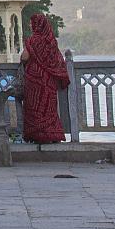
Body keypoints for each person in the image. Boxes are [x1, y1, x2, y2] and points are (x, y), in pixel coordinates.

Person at [20, 13, 71, 144]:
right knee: (49, 107)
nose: (30, 25)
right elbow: (57, 60)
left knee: (35, 107)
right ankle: (52, 134)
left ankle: (37, 135)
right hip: (49, 80)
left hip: (34, 79)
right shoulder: (51, 40)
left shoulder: (33, 40)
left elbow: (24, 57)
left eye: (32, 23)